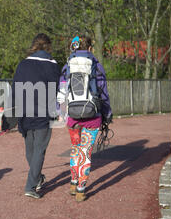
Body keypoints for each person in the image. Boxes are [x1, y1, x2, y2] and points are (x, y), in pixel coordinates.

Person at [57, 35, 112, 202]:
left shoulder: (67, 66)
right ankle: (81, 189)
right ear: (89, 49)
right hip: (92, 116)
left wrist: (61, 113)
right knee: (86, 151)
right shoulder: (96, 66)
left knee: (75, 149)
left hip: (73, 117)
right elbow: (103, 93)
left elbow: (62, 91)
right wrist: (107, 115)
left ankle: (73, 183)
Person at [12, 33, 61, 199]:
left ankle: (37, 178)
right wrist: (57, 111)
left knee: (31, 149)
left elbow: (15, 87)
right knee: (39, 150)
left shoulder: (23, 64)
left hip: (24, 111)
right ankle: (31, 186)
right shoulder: (53, 65)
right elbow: (56, 90)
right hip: (43, 111)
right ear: (48, 47)